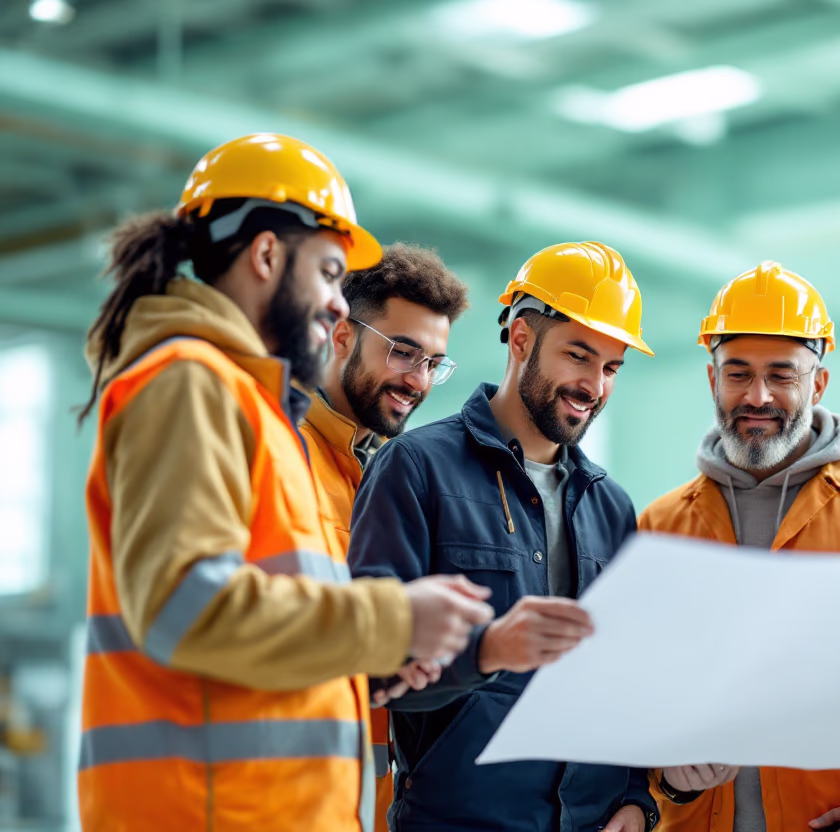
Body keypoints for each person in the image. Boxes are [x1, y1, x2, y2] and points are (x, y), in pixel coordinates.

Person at [77, 133, 494, 832]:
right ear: (267, 255)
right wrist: (393, 619)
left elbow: (258, 636)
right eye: (329, 273)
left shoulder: (257, 410)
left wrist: (375, 659)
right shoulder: (189, 383)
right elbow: (186, 609)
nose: (337, 306)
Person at [347, 241, 661, 832]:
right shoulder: (416, 469)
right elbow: (369, 664)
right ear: (520, 339)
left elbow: (625, 678)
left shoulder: (613, 507)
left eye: (611, 368)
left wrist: (635, 799)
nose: (594, 385)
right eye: (578, 355)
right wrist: (486, 650)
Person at [638, 261, 840, 832]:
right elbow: (633, 693)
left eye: (782, 374)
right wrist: (664, 777)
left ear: (818, 384)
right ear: (712, 379)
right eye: (738, 373)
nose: (758, 395)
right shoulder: (660, 525)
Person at [300, 242, 470, 832]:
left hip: (360, 808)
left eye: (434, 363)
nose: (418, 381)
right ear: (342, 334)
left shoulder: (390, 478)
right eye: (403, 352)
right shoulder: (281, 458)